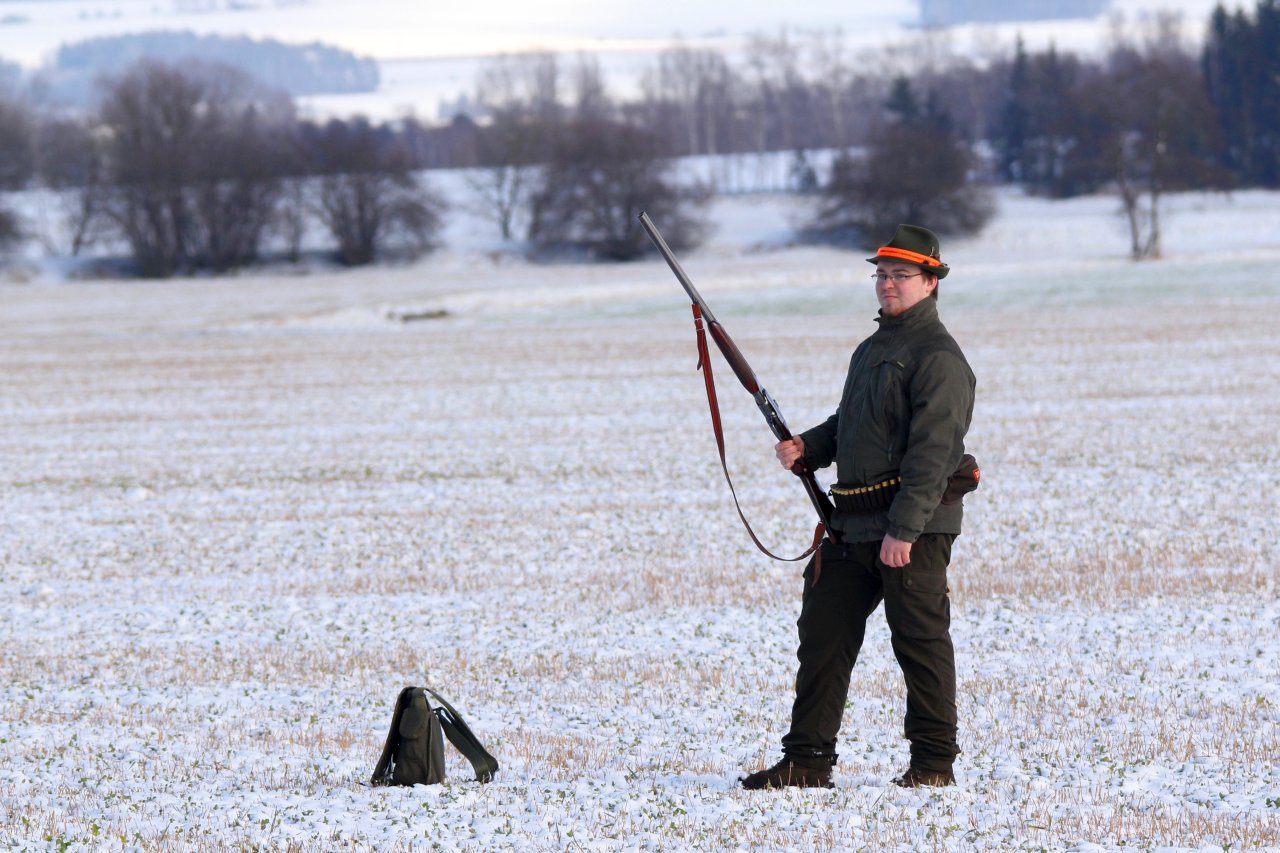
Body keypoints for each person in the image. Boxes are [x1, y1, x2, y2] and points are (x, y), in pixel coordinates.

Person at [740, 224, 976, 791]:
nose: (888, 284)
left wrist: (905, 530)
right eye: (882, 274)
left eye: (901, 275)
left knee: (919, 644)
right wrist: (809, 447)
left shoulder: (939, 357)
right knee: (822, 638)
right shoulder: (871, 350)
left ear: (931, 282)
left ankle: (933, 765)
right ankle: (806, 761)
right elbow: (851, 423)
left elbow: (934, 455)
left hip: (910, 529)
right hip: (851, 524)